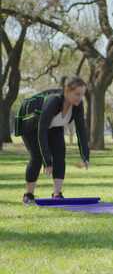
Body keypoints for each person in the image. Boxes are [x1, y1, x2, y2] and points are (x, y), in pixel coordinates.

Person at [17, 76, 90, 205]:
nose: (80, 97)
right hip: (32, 125)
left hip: (54, 126)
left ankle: (57, 194)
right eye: (77, 94)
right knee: (37, 157)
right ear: (67, 91)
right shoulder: (54, 101)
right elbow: (42, 131)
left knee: (60, 154)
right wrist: (47, 161)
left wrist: (85, 156)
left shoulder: (78, 105)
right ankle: (28, 195)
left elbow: (81, 131)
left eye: (82, 94)